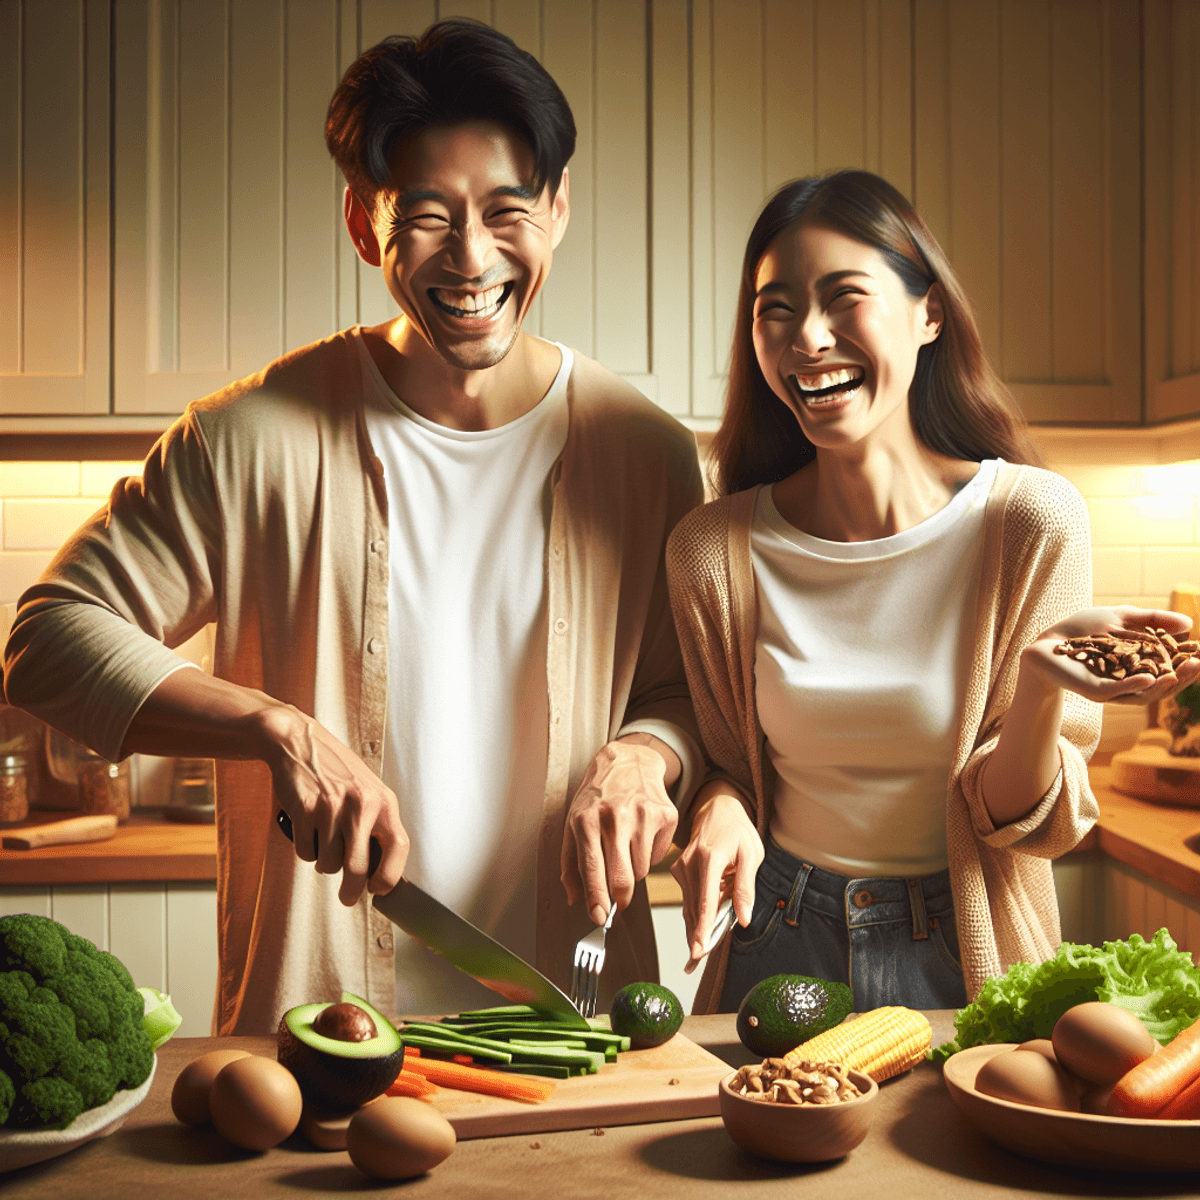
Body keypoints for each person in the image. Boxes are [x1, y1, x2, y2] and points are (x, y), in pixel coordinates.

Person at [3, 19, 703, 1033]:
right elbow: (46, 640)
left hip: (575, 1029)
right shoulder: (247, 439)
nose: (470, 258)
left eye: (507, 210)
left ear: (557, 208)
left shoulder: (649, 454)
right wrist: (272, 728)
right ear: (361, 223)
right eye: (426, 215)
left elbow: (689, 696)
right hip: (318, 1047)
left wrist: (645, 753)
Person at [665, 170, 1200, 1015]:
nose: (807, 336)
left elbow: (1022, 821)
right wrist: (719, 806)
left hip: (967, 938)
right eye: (776, 308)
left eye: (845, 297)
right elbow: (728, 764)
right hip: (777, 934)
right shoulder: (712, 551)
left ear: (929, 314)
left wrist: (1041, 683)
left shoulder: (1027, 520)